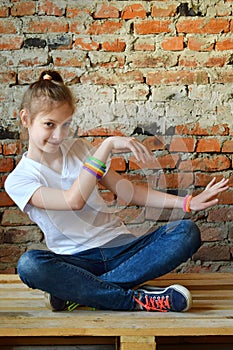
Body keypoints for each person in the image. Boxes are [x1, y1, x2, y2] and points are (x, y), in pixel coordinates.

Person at [5, 70, 229, 313]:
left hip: (122, 250)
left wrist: (187, 203)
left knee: (186, 231)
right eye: (49, 124)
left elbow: (128, 192)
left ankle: (82, 294)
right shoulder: (19, 179)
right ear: (26, 119)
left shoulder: (79, 149)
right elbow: (74, 200)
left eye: (66, 124)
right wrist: (107, 146)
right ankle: (135, 300)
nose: (59, 135)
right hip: (75, 263)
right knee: (30, 265)